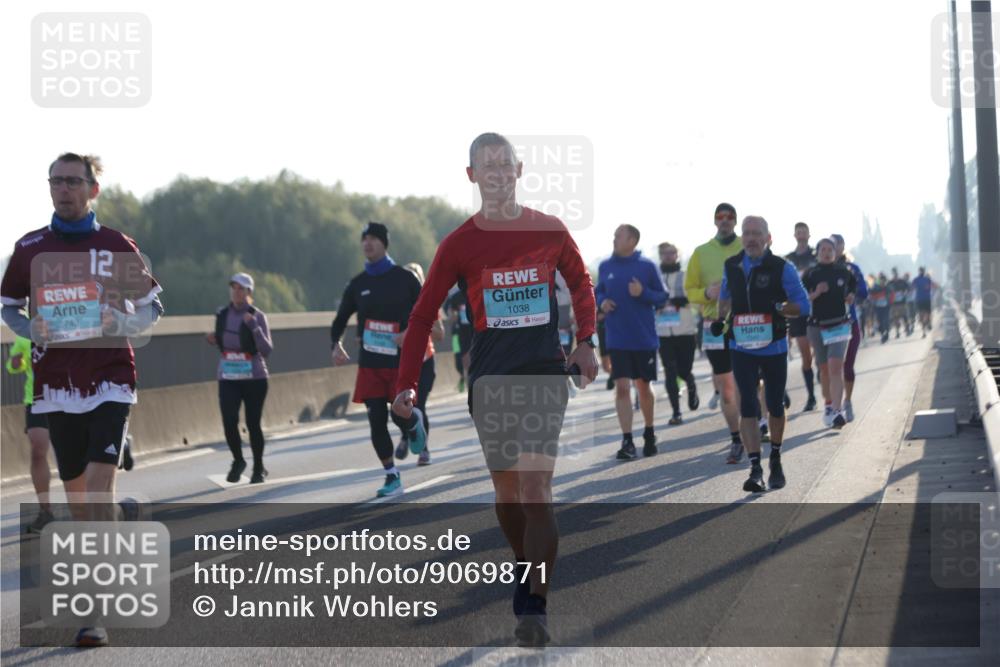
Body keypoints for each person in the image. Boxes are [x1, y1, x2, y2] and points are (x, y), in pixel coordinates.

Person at [392, 133, 598, 647]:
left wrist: (586, 341)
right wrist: (405, 386)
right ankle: (525, 566)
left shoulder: (548, 230)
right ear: (472, 176)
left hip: (545, 375)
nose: (499, 173)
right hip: (489, 380)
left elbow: (581, 282)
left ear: (520, 169)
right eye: (488, 166)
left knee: (536, 490)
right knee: (507, 494)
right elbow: (422, 315)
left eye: (506, 164)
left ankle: (536, 602)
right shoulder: (459, 244)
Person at [0, 153, 164, 647]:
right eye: (56, 181)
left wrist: (121, 323)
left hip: (111, 379)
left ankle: (94, 612)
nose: (62, 189)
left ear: (93, 189)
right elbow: (9, 306)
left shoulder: (115, 245)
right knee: (81, 506)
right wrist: (34, 330)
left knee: (95, 491)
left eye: (73, 181)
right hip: (57, 388)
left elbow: (151, 306)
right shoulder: (30, 248)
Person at [331, 222, 427, 498]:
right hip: (371, 364)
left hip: (400, 363)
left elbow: (426, 310)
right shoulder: (358, 284)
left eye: (373, 238)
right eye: (364, 239)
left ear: (385, 243)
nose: (367, 243)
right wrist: (335, 344)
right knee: (375, 419)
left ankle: (412, 424)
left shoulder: (404, 278)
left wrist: (409, 332)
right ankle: (391, 475)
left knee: (399, 415)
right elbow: (340, 319)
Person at [717, 216, 810, 493]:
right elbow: (725, 296)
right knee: (747, 404)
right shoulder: (732, 265)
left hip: (773, 346)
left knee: (774, 404)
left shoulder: (782, 267)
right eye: (746, 233)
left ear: (768, 238)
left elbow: (803, 306)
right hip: (741, 345)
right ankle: (755, 468)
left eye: (757, 233)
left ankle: (777, 458)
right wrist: (720, 317)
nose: (751, 238)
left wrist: (782, 308)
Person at [596, 225, 669, 458]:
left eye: (618, 235)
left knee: (643, 387)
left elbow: (662, 296)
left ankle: (649, 432)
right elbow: (598, 292)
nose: (614, 238)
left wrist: (643, 292)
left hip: (643, 338)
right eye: (614, 235)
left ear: (632, 240)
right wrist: (602, 302)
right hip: (617, 337)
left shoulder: (647, 266)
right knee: (622, 388)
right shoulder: (606, 266)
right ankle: (627, 441)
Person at [685, 203, 745, 463]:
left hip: (745, 322)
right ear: (714, 221)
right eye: (720, 217)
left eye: (729, 216)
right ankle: (736, 438)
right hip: (713, 323)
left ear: (735, 220)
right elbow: (689, 290)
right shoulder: (701, 253)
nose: (725, 220)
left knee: (748, 382)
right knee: (727, 387)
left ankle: (754, 422)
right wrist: (706, 293)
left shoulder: (747, 245)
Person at [205, 273, 274, 483]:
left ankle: (259, 467)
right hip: (228, 376)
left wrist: (254, 327)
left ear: (249, 293)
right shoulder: (223, 314)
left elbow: (267, 349)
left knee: (253, 423)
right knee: (229, 421)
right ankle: (238, 460)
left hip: (254, 377)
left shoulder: (257, 316)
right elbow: (223, 341)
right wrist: (213, 339)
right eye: (234, 288)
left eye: (241, 289)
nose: (236, 292)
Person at [802, 239, 857, 429]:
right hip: (816, 326)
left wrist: (851, 296)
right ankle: (828, 404)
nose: (826, 253)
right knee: (824, 368)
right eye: (823, 250)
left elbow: (853, 289)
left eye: (830, 250)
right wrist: (816, 293)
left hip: (839, 325)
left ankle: (837, 410)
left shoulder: (844, 272)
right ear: (817, 253)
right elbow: (801, 299)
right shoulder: (811, 274)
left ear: (836, 252)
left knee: (835, 367)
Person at [394, 262, 444, 466]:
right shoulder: (396, 303)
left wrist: (417, 327)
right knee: (399, 407)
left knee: (419, 406)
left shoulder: (430, 302)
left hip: (425, 361)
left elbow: (440, 333)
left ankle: (424, 450)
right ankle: (407, 435)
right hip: (401, 364)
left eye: (414, 277)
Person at [6, 335, 54, 533]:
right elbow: (13, 365)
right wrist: (17, 362)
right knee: (37, 450)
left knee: (76, 452)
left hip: (70, 396)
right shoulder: (26, 333)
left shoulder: (67, 325)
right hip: (36, 400)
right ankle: (46, 512)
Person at [656, 242, 700, 425]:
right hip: (663, 333)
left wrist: (678, 301)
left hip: (686, 331)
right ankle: (676, 412)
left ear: (677, 255)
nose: (668, 256)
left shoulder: (686, 276)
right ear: (660, 256)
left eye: (672, 252)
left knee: (684, 370)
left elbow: (696, 298)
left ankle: (690, 384)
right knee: (670, 371)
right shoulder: (654, 277)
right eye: (664, 253)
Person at [830, 234, 867, 422]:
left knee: (848, 365)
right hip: (827, 325)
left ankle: (848, 400)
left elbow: (864, 291)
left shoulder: (852, 269)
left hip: (849, 322)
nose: (833, 249)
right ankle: (832, 406)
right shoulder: (820, 270)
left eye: (836, 245)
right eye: (830, 245)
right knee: (829, 368)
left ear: (843, 247)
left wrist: (850, 293)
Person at [784, 222, 819, 411]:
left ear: (809, 234)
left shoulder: (817, 255)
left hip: (818, 309)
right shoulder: (788, 260)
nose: (801, 234)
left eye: (804, 231)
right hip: (797, 311)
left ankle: (822, 366)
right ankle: (811, 396)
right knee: (806, 355)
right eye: (798, 232)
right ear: (794, 235)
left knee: (818, 349)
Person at [912, 267, 936, 337]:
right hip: (922, 299)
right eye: (921, 271)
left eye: (921, 271)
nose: (921, 272)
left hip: (922, 299)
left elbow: (912, 288)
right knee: (923, 315)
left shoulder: (919, 279)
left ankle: (925, 327)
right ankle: (925, 328)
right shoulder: (925, 279)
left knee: (924, 315)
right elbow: (935, 286)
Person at [888, 268, 910, 338]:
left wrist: (905, 293)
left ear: (897, 274)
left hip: (902, 303)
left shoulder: (902, 281)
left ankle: (907, 330)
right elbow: (886, 291)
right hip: (894, 304)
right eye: (894, 274)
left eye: (896, 274)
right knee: (895, 318)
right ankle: (897, 333)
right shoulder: (890, 283)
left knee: (905, 317)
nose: (895, 275)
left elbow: (908, 288)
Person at [870, 273, 892, 344]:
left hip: (886, 308)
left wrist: (889, 302)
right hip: (878, 308)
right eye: (881, 280)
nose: (882, 282)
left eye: (883, 280)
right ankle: (883, 334)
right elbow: (871, 295)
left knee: (886, 321)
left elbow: (891, 296)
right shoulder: (875, 288)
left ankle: (886, 334)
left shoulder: (888, 288)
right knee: (880, 322)